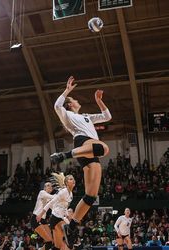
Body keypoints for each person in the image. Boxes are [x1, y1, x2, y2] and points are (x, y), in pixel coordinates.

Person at [50, 76, 111, 248]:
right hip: (83, 142)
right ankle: (64, 155)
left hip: (89, 150)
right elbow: (56, 106)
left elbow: (107, 116)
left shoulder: (86, 116)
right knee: (105, 148)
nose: (77, 101)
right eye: (74, 100)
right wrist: (67, 91)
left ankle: (73, 225)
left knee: (91, 195)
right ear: (70, 104)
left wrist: (99, 101)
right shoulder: (68, 115)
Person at [37, 173, 75, 250]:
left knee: (57, 247)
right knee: (68, 226)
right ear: (67, 183)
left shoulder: (71, 195)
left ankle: (67, 232)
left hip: (58, 219)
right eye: (71, 179)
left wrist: (67, 214)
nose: (73, 180)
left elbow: (64, 208)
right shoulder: (63, 192)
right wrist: (41, 214)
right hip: (55, 218)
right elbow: (51, 202)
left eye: (73, 179)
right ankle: (67, 233)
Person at [30, 182, 55, 250]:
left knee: (51, 242)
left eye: (51, 186)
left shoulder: (49, 198)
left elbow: (54, 208)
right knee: (49, 242)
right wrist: (60, 194)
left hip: (43, 220)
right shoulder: (42, 192)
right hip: (36, 218)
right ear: (44, 188)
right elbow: (53, 197)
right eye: (47, 185)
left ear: (52, 189)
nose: (49, 186)